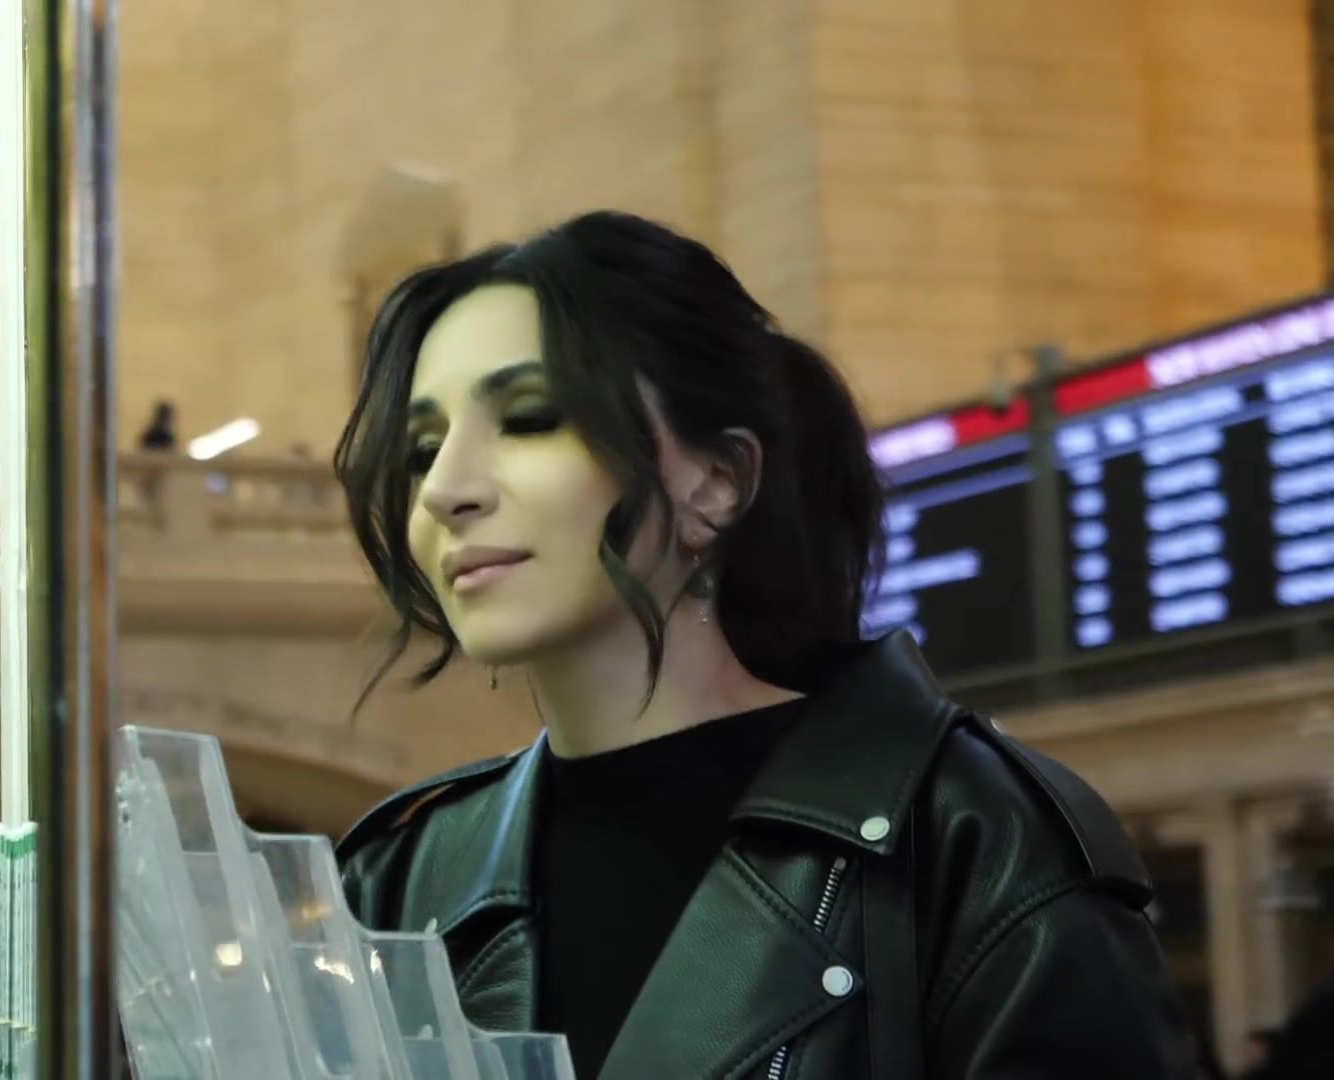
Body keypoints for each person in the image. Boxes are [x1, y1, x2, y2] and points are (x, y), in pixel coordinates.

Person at [330, 211, 1199, 1079]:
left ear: (716, 482)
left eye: (529, 418)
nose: (443, 491)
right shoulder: (402, 879)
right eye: (422, 450)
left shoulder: (972, 838)